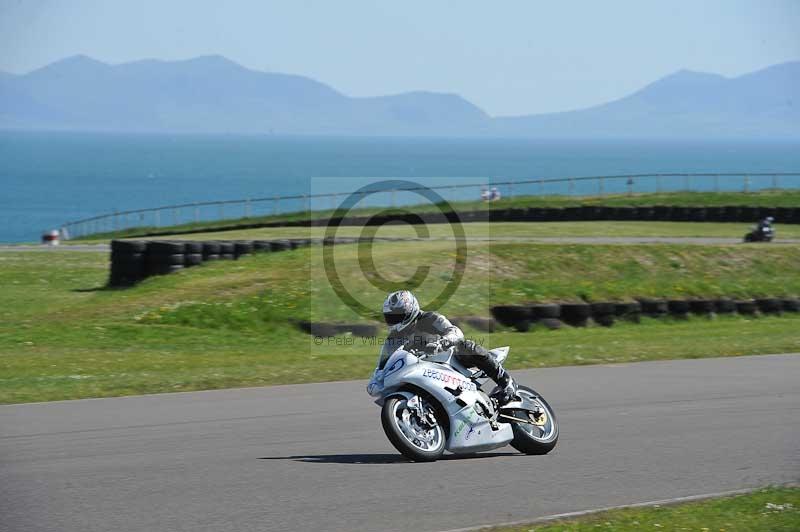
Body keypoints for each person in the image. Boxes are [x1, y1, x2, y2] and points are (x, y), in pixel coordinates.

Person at [370, 290, 517, 404]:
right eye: (389, 317)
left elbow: (456, 332)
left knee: (466, 346)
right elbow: (384, 364)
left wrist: (441, 343)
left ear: (409, 311)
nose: (393, 321)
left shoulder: (429, 318)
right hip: (422, 371)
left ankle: (507, 383)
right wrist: (376, 381)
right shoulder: (393, 338)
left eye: (396, 316)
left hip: (450, 362)